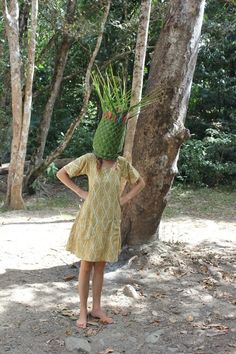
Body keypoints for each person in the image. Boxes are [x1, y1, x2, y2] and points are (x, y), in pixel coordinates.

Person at [57, 152, 145, 329]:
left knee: (100, 265)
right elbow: (61, 173)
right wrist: (81, 191)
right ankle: (83, 311)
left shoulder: (121, 163)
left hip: (109, 219)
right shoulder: (90, 159)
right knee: (86, 264)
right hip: (90, 219)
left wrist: (125, 199)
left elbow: (140, 183)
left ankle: (96, 308)